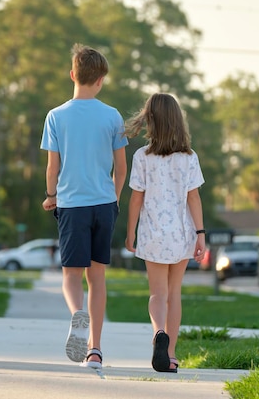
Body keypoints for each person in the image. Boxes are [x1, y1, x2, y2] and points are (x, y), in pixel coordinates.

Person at [40, 43, 128, 369]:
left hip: (72, 205)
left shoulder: (56, 116)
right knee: (98, 278)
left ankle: (78, 313)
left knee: (71, 276)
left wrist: (51, 194)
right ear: (101, 79)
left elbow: (53, 167)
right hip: (104, 204)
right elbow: (121, 168)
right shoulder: (112, 116)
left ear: (72, 74)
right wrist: (114, 199)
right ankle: (95, 350)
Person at [124, 93, 206, 373]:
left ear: (151, 121)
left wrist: (130, 232)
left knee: (157, 294)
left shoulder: (142, 156)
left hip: (153, 234)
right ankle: (170, 354)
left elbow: (136, 199)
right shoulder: (189, 157)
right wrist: (201, 233)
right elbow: (193, 198)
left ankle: (159, 331)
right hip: (181, 235)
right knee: (174, 293)